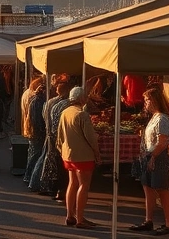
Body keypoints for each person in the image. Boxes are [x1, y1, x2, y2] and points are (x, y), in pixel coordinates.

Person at [130, 87, 169, 235]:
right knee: (147, 188)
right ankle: (148, 220)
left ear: (154, 100)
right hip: (149, 155)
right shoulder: (154, 117)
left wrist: (153, 157)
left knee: (162, 189)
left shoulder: (162, 119)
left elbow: (162, 142)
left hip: (158, 156)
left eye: (147, 100)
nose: (145, 103)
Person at [57, 86, 101, 230]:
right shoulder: (82, 114)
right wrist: (97, 153)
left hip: (68, 154)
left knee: (72, 183)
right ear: (82, 99)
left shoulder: (65, 112)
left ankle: (70, 215)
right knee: (84, 185)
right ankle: (80, 219)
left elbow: (60, 135)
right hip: (83, 155)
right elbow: (91, 138)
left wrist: (62, 150)